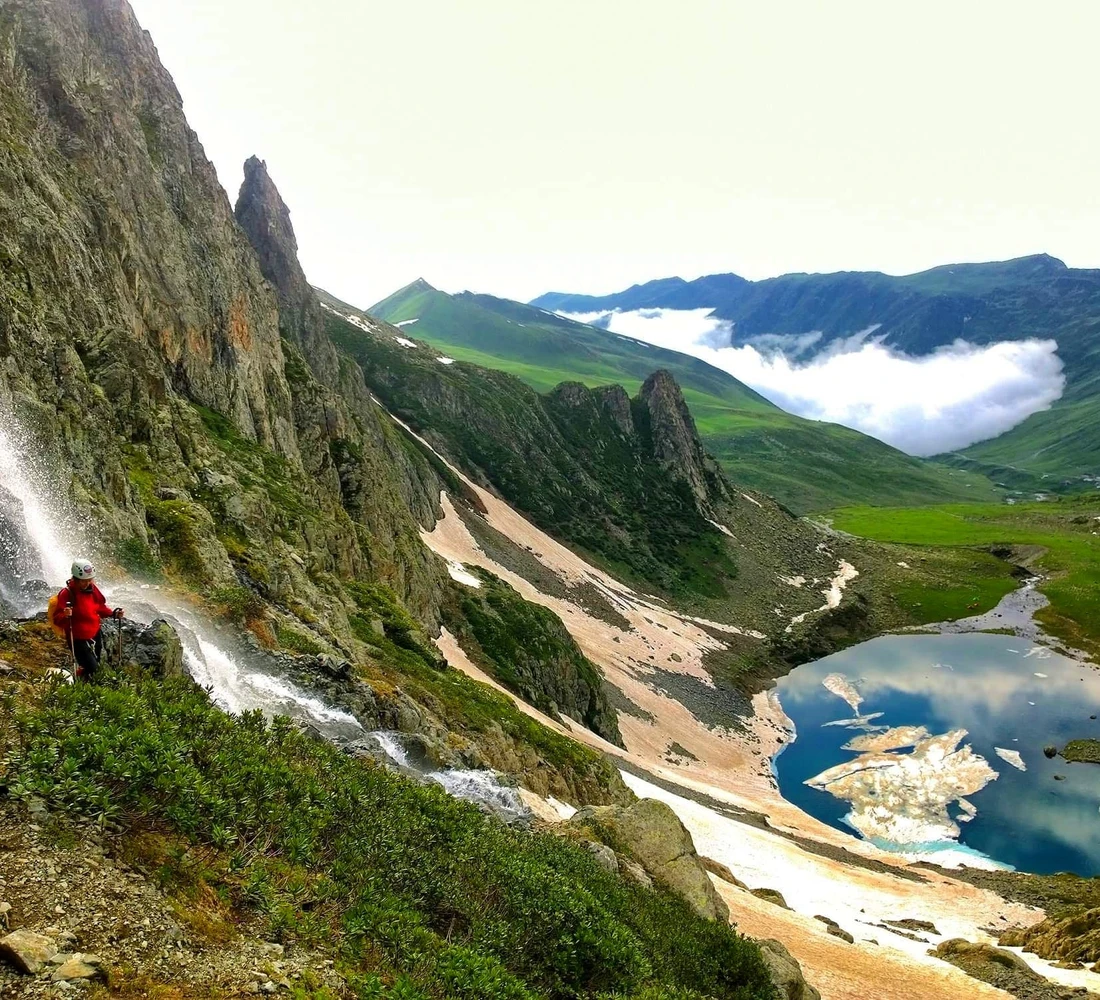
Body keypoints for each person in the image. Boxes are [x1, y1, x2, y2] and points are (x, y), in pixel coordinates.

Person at [52, 560, 124, 680]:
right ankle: (85, 687)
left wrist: (113, 614)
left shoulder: (92, 589)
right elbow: (57, 618)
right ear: (75, 578)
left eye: (89, 580)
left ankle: (85, 682)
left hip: (95, 634)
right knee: (93, 668)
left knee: (95, 663)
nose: (87, 583)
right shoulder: (67, 593)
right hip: (77, 638)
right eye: (84, 580)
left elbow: (100, 607)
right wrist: (65, 615)